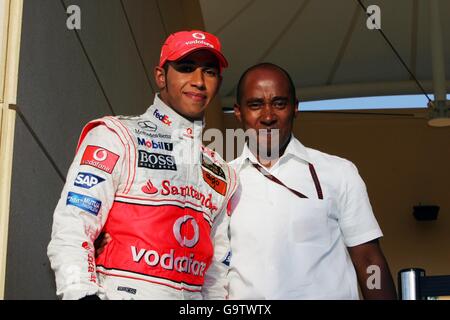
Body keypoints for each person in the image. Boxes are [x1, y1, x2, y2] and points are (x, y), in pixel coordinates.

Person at [47, 30, 238, 300]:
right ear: (161, 76)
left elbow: (216, 269)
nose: (198, 81)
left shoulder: (222, 172)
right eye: (185, 68)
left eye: (209, 72)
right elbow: (73, 224)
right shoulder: (116, 135)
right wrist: (81, 293)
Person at [227, 62, 397, 299]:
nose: (268, 116)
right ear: (238, 112)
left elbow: (368, 260)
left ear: (295, 108)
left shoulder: (339, 172)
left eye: (279, 103)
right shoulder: (223, 181)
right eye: (255, 105)